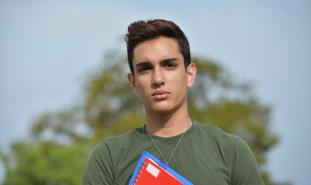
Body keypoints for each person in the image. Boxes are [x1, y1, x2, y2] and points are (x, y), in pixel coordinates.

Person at [82, 19, 264, 185]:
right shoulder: (109, 158)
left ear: (190, 74)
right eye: (145, 68)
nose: (158, 78)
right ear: (134, 82)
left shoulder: (231, 151)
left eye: (169, 65)